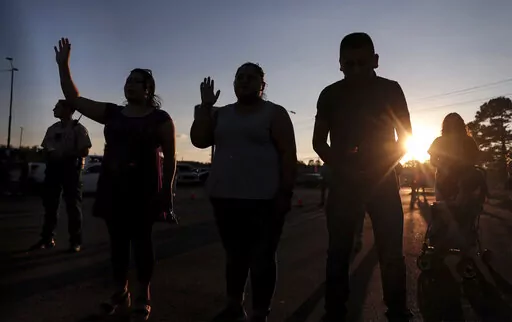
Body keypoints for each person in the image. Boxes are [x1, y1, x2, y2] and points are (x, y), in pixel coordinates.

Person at [53, 38, 176, 321]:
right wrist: (64, 66)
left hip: (144, 188)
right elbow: (74, 99)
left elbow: (170, 157)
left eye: (137, 81)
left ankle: (143, 295)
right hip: (114, 186)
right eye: (128, 80)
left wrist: (167, 191)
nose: (130, 84)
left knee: (142, 242)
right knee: (118, 243)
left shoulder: (161, 119)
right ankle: (121, 293)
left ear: (148, 90)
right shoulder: (112, 113)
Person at [312, 32, 412, 321]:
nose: (355, 70)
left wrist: (379, 167)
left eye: (362, 63)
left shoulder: (391, 90)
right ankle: (334, 313)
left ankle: (397, 311)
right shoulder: (329, 94)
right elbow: (319, 143)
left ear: (375, 61)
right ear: (339, 64)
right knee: (338, 254)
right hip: (344, 185)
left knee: (391, 254)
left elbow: (405, 137)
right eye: (349, 64)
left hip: (382, 182)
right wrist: (344, 170)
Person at [190, 63, 297, 322]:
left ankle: (260, 312)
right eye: (240, 77)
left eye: (251, 77)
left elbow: (288, 155)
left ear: (263, 85)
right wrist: (205, 107)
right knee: (235, 257)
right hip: (226, 198)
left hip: (265, 200)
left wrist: (284, 194)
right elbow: (199, 139)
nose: (245, 81)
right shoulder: (221, 114)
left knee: (262, 258)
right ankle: (234, 305)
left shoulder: (275, 113)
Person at [29, 99, 91, 253]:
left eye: (57, 107)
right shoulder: (52, 128)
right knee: (50, 205)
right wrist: (49, 154)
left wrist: (66, 154)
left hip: (71, 169)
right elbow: (45, 149)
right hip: (53, 169)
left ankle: (75, 241)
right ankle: (47, 238)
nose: (53, 110)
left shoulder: (79, 129)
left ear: (68, 110)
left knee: (73, 206)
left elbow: (84, 151)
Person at [428, 113, 481, 204]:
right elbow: (433, 161)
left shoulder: (468, 141)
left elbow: (476, 158)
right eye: (451, 124)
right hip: (445, 179)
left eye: (456, 123)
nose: (453, 126)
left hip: (465, 178)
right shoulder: (439, 141)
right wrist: (445, 167)